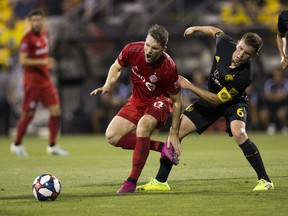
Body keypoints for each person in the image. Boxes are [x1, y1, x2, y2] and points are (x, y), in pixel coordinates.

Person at [137, 26, 274, 192]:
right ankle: (160, 182)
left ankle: (265, 180)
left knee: (239, 133)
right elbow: (215, 31)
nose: (240, 54)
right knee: (176, 131)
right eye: (240, 48)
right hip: (209, 97)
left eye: (246, 53)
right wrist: (196, 29)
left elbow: (217, 100)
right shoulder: (225, 44)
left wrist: (190, 86)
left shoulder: (245, 76)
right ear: (237, 43)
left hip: (233, 103)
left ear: (253, 56)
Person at [90, 24, 182, 193]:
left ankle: (131, 182)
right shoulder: (132, 50)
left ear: (163, 49)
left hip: (159, 101)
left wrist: (174, 132)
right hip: (136, 101)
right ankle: (162, 147)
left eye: (154, 48)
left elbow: (177, 100)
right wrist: (108, 84)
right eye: (147, 45)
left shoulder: (168, 67)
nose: (148, 51)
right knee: (112, 136)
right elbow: (116, 66)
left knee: (143, 126)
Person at [10, 9, 68, 157]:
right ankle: (16, 144)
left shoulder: (44, 35)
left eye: (39, 20)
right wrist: (43, 61)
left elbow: (43, 54)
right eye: (33, 20)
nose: (36, 22)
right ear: (30, 22)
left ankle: (52, 145)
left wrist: (48, 62)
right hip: (32, 82)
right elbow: (23, 61)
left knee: (55, 111)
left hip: (45, 80)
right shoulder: (26, 39)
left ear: (43, 21)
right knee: (29, 114)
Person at [259, 67, 288, 135]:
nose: (277, 76)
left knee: (281, 114)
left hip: (282, 105)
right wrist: (279, 96)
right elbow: (268, 96)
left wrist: (274, 96)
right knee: (263, 115)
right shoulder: (269, 83)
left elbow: (285, 95)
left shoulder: (286, 82)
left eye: (279, 75)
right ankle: (270, 127)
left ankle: (284, 127)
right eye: (276, 74)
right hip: (270, 105)